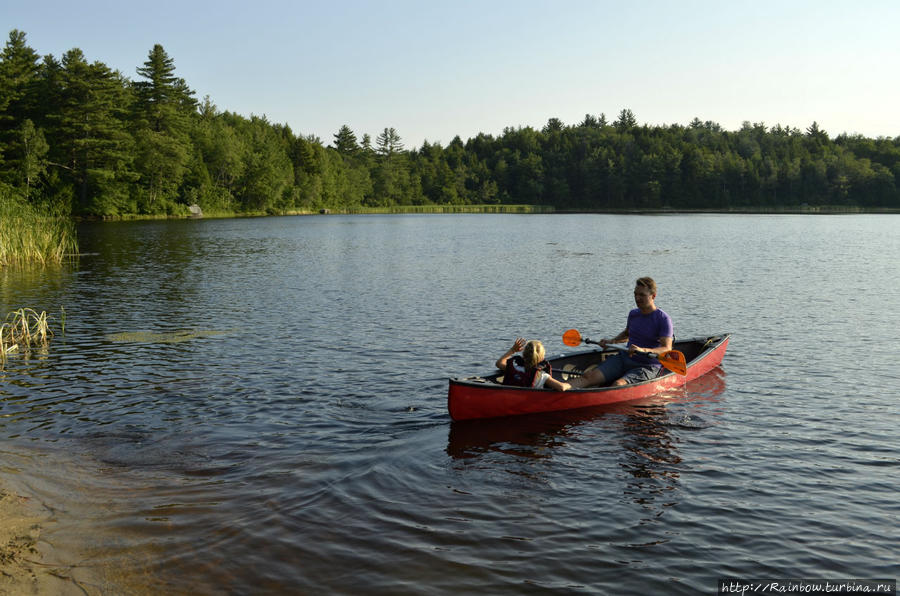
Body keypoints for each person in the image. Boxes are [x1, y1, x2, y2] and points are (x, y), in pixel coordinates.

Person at [569, 277, 674, 388]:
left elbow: (667, 349)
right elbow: (627, 334)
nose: (637, 298)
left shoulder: (663, 319)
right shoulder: (633, 314)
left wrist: (643, 350)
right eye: (635, 294)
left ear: (653, 296)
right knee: (589, 376)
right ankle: (561, 389)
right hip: (625, 358)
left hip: (648, 366)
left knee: (618, 385)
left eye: (642, 295)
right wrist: (611, 341)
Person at [496, 337, 571, 391]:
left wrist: (513, 350)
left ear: (524, 355)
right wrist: (569, 385)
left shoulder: (514, 368)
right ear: (541, 358)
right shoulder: (542, 376)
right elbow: (561, 387)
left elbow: (499, 363)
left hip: (510, 397)